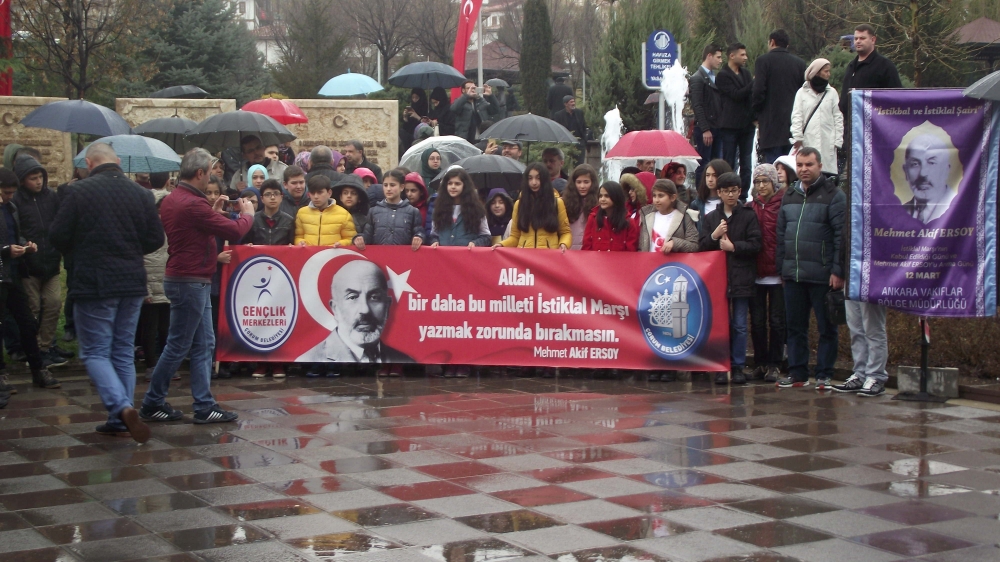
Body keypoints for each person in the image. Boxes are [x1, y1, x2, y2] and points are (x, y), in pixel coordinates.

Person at [49, 143, 166, 441]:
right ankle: (119, 419)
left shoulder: (77, 192)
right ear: (117, 162)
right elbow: (154, 238)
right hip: (132, 282)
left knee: (95, 351)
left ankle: (121, 407)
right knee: (123, 351)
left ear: (89, 163)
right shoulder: (141, 194)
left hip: (94, 283)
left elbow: (58, 236)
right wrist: (128, 249)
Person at [140, 148, 254, 424]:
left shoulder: (174, 199)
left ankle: (203, 404)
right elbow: (235, 230)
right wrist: (248, 213)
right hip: (190, 281)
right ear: (200, 173)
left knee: (203, 343)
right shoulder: (192, 203)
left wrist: (212, 213)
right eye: (211, 172)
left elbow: (199, 227)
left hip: (188, 278)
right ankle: (154, 401)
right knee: (180, 345)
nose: (214, 177)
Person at [775, 148, 845, 390]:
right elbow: (781, 234)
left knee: (827, 328)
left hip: (823, 276)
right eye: (800, 164)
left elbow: (841, 237)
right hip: (793, 274)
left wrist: (838, 271)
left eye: (809, 164)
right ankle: (798, 374)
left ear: (819, 165)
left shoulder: (834, 195)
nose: (804, 169)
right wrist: (782, 267)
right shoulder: (790, 194)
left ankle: (824, 374)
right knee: (795, 327)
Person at [0, 169, 60, 391]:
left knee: (27, 322)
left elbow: (15, 235)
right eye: (5, 192)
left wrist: (26, 245)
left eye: (11, 192)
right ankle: (2, 374)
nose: (9, 196)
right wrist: (6, 250)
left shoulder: (10, 207)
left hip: (13, 273)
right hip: (2, 272)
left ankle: (38, 369)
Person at [701, 172, 761, 385]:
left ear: (739, 191)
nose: (730, 195)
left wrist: (734, 247)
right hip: (717, 280)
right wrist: (714, 236)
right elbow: (701, 246)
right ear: (719, 193)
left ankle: (737, 365)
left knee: (739, 324)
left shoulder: (748, 214)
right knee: (720, 323)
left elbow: (756, 244)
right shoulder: (711, 218)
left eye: (734, 190)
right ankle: (720, 364)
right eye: (726, 191)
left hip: (741, 277)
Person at [637, 179, 700, 383]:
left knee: (671, 323)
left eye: (661, 196)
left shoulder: (684, 217)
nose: (656, 200)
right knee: (651, 320)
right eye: (654, 195)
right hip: (650, 276)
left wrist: (675, 243)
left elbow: (694, 243)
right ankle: (654, 364)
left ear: (673, 197)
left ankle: (670, 365)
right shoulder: (646, 216)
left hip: (673, 277)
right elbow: (641, 244)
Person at [296, 261, 414, 364]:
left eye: (374, 297)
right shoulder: (309, 360)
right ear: (335, 309)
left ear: (387, 307)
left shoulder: (405, 360)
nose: (365, 310)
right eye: (352, 297)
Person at [12, 153, 66, 368]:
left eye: (40, 177)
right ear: (23, 179)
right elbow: (14, 229)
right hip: (28, 265)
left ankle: (46, 347)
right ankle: (32, 350)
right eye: (33, 178)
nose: (38, 181)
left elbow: (59, 222)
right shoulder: (15, 201)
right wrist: (25, 245)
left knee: (53, 304)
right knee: (32, 309)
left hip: (51, 262)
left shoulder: (50, 197)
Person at [748, 164, 786, 383]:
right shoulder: (749, 207)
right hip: (756, 273)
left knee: (777, 321)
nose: (761, 186)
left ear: (774, 183)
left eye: (765, 181)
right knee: (758, 321)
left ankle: (775, 364)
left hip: (777, 273)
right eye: (757, 182)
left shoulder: (784, 205)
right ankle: (760, 362)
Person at [753, 30, 809, 165]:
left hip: (770, 124)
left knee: (774, 166)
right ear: (787, 45)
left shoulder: (763, 61)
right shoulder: (800, 63)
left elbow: (758, 91)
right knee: (792, 166)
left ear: (772, 42)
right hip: (793, 124)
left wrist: (756, 115)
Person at [496, 163, 572, 251]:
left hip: (549, 257)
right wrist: (501, 244)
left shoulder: (557, 203)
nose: (534, 182)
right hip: (525, 257)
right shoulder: (519, 204)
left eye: (538, 178)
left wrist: (563, 244)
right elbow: (515, 237)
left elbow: (565, 233)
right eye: (530, 178)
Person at [839, 24, 902, 123]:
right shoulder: (851, 66)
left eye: (862, 38)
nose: (858, 41)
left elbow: (896, 98)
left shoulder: (885, 66)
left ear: (873, 40)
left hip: (875, 127)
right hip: (850, 127)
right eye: (856, 39)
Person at [138, 191, 171, 381]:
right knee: (149, 328)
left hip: (167, 286)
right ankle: (151, 364)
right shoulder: (147, 231)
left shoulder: (174, 229)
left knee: (166, 329)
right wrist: (146, 289)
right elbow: (141, 261)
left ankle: (166, 365)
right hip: (150, 287)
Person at [791, 58, 843, 176]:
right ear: (817, 72)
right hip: (807, 141)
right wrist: (798, 137)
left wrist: (837, 141)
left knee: (827, 176)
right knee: (808, 173)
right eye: (826, 71)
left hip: (828, 143)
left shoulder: (832, 92)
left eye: (829, 71)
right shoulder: (802, 93)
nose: (828, 74)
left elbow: (838, 117)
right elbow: (797, 116)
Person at [717, 42, 755, 196]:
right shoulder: (723, 76)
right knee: (729, 161)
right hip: (730, 125)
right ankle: (727, 190)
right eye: (742, 55)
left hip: (747, 125)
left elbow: (750, 97)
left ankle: (744, 193)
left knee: (746, 162)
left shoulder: (745, 73)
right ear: (732, 56)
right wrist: (753, 83)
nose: (745, 57)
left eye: (745, 54)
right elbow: (736, 95)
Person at [428, 167, 490, 249]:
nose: (453, 187)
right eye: (450, 183)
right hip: (443, 258)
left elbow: (486, 236)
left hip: (466, 258)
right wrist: (434, 241)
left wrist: (475, 243)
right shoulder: (439, 208)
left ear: (465, 186)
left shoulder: (477, 210)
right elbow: (434, 234)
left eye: (457, 184)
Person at [899, 135, 955, 224]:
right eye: (915, 164)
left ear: (946, 170)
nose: (922, 173)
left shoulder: (962, 209)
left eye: (932, 163)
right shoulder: (898, 213)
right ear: (906, 172)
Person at [690, 44, 725, 187]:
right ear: (709, 56)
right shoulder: (698, 78)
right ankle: (701, 196)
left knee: (717, 164)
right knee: (704, 164)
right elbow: (697, 105)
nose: (720, 60)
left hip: (716, 127)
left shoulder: (713, 77)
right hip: (706, 129)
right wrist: (705, 129)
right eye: (718, 57)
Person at [295, 175, 357, 248]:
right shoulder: (301, 213)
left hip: (333, 256)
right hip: (309, 257)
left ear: (329, 193)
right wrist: (300, 242)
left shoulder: (344, 214)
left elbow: (351, 239)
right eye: (312, 193)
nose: (316, 196)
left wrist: (341, 244)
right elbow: (298, 236)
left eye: (320, 192)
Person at [581, 181, 637, 252]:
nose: (602, 199)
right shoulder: (593, 218)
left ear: (616, 197)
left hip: (619, 262)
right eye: (600, 196)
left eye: (607, 196)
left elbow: (631, 251)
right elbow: (586, 247)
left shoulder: (628, 222)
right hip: (596, 262)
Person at [690, 159, 732, 233]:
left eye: (714, 175)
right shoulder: (696, 204)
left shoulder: (733, 202)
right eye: (707, 175)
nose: (710, 179)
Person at [564, 164, 599, 250]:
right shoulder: (564, 203)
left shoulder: (599, 204)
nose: (582, 186)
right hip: (568, 251)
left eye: (586, 182)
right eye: (579, 182)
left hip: (589, 252)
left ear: (592, 183)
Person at [553, 96, 587, 164]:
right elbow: (557, 130)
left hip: (579, 143)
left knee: (579, 164)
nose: (573, 103)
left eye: (574, 101)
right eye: (571, 102)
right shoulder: (559, 115)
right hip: (566, 143)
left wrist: (584, 140)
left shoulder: (579, 113)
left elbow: (583, 126)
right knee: (564, 164)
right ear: (566, 104)